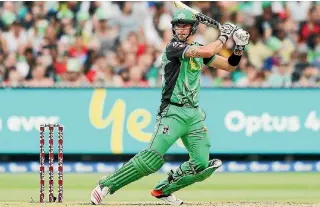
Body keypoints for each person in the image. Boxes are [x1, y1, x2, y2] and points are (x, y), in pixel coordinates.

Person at [90, 8, 250, 206]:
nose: (181, 30)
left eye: (185, 27)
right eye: (178, 26)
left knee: (201, 164)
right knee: (151, 159)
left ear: (193, 29)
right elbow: (209, 50)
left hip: (193, 114)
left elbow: (229, 66)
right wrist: (225, 35)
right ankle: (105, 185)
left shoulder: (199, 47)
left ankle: (163, 190)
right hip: (172, 113)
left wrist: (239, 47)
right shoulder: (173, 47)